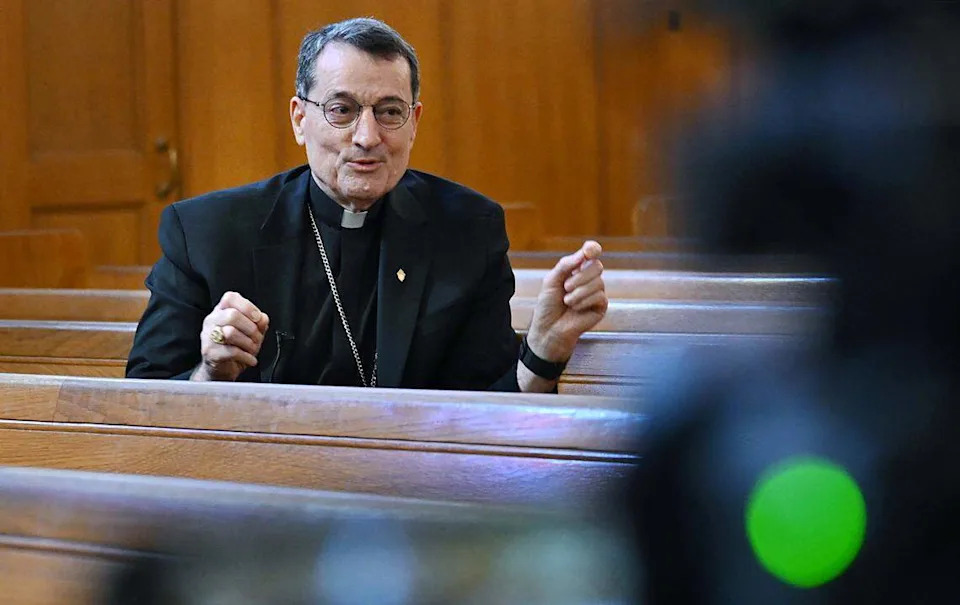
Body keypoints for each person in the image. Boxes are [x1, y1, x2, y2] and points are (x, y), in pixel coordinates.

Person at [126, 17, 608, 392]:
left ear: (414, 121)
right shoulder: (206, 232)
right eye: (342, 110)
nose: (367, 137)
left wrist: (542, 351)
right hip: (256, 496)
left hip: (412, 495)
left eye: (390, 112)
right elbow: (138, 408)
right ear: (300, 119)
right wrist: (210, 374)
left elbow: (488, 418)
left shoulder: (467, 229)